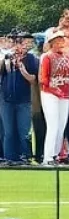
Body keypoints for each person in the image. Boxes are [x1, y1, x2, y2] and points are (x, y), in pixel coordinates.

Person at [0, 32, 37, 165]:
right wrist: (6, 57)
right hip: (6, 99)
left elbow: (33, 79)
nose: (25, 46)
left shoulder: (31, 58)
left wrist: (23, 70)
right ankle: (9, 158)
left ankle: (25, 157)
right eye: (23, 43)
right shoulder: (8, 57)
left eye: (28, 44)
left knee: (24, 131)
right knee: (8, 131)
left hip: (24, 100)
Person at [38, 29, 69, 164]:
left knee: (61, 125)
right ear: (52, 43)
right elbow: (43, 77)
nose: (60, 43)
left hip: (64, 94)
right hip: (49, 93)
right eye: (57, 41)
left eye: (61, 40)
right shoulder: (47, 56)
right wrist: (52, 88)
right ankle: (47, 157)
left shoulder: (67, 57)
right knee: (53, 124)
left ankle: (56, 154)